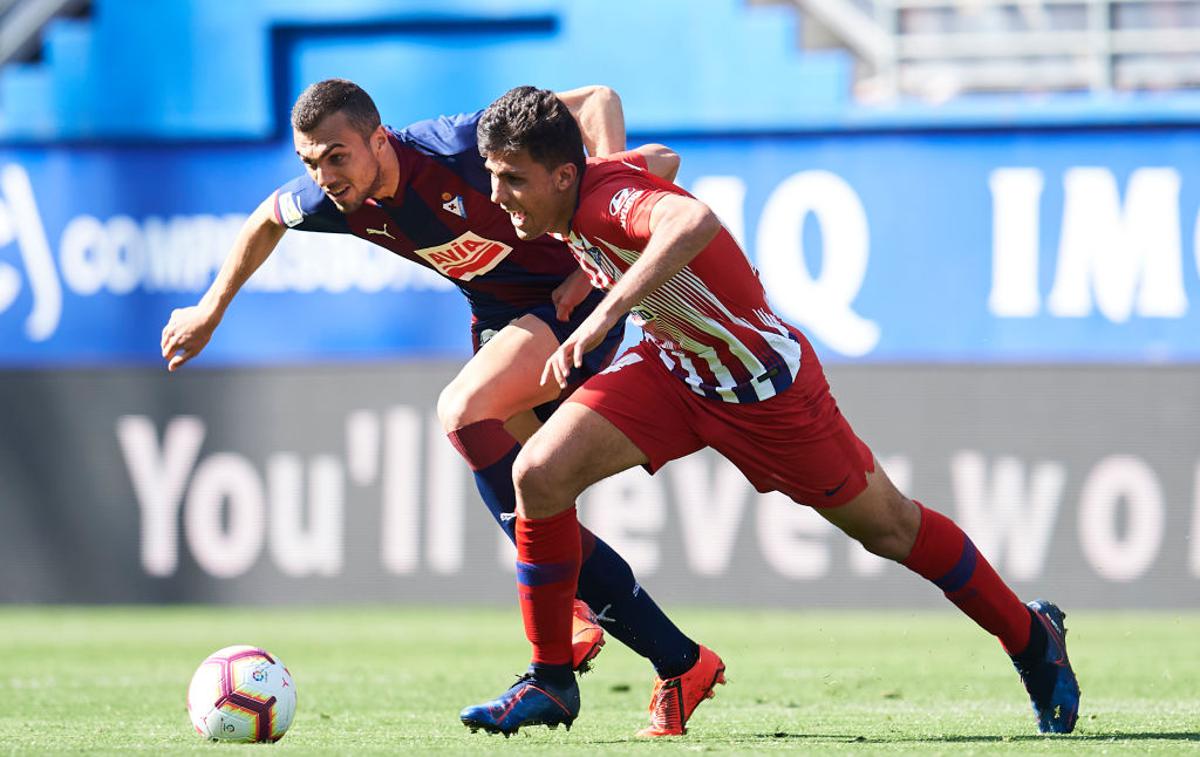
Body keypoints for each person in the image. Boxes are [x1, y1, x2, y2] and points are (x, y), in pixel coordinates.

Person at [459, 85, 1081, 738]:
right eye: (493, 176)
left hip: (765, 391)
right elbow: (660, 159)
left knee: (890, 529)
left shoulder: (603, 199)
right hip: (674, 371)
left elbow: (690, 222)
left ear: (563, 174)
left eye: (512, 179)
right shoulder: (593, 189)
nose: (499, 196)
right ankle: (551, 677)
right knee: (539, 475)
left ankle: (1030, 635)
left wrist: (605, 309)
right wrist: (598, 249)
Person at [159, 79, 714, 737]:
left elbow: (599, 101)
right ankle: (680, 660)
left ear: (378, 137)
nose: (324, 175)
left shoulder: (457, 146)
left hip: (574, 305)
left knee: (462, 411)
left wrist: (598, 219)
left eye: (337, 156)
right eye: (310, 162)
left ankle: (559, 648)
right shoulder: (336, 197)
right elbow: (265, 218)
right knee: (538, 498)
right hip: (502, 322)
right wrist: (209, 309)